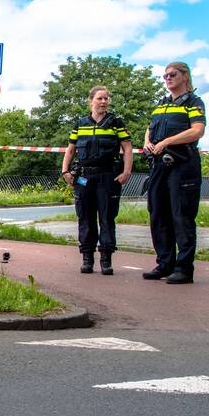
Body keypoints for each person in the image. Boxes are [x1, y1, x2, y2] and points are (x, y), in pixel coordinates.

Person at [142, 62, 206, 284]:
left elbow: (197, 130)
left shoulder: (194, 102)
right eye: (165, 76)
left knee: (182, 215)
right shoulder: (161, 104)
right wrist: (148, 142)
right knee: (158, 214)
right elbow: (150, 128)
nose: (167, 78)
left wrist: (168, 141)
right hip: (159, 164)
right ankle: (164, 263)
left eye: (172, 74)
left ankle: (184, 269)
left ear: (185, 76)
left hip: (182, 163)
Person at [61, 86, 133, 275]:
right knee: (85, 217)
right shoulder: (80, 123)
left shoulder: (116, 123)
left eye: (106, 98)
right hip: (84, 177)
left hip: (108, 176)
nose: (104, 102)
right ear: (91, 100)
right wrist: (65, 171)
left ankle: (106, 259)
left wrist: (126, 172)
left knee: (107, 218)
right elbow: (71, 149)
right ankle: (87, 257)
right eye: (100, 98)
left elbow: (127, 147)